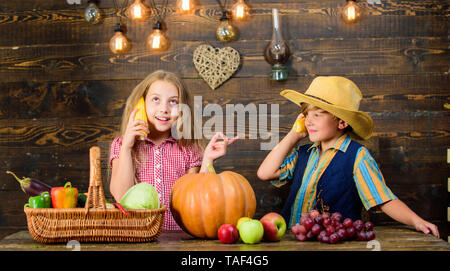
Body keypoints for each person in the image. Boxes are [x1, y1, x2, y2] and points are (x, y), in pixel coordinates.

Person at [257, 76, 439, 238]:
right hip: (292, 242)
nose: (308, 121)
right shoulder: (303, 153)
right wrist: (293, 135)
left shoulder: (357, 156)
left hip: (335, 243)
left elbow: (382, 198)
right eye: (306, 115)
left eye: (317, 115)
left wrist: (416, 221)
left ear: (342, 122)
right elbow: (265, 173)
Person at [109, 70, 237, 230]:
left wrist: (207, 160)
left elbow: (197, 198)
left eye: (173, 102)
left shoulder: (189, 149)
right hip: (137, 235)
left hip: (179, 239)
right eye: (155, 99)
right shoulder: (122, 144)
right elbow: (121, 195)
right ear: (141, 103)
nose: (164, 109)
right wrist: (127, 147)